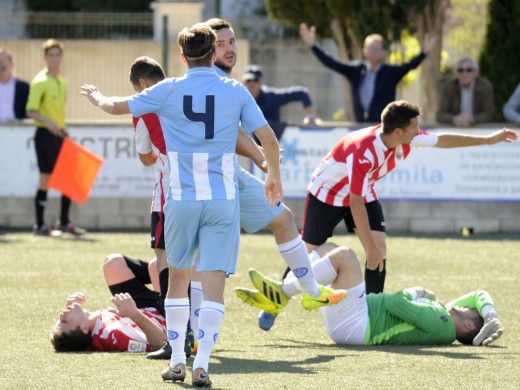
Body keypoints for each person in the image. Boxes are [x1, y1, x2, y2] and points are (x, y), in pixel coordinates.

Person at [81, 22, 283, 387]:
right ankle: (202, 365)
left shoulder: (168, 88)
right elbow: (267, 137)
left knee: (177, 278)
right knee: (213, 285)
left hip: (181, 200)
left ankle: (177, 362)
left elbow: (116, 106)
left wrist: (96, 97)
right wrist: (274, 177)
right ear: (213, 52)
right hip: (222, 199)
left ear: (182, 56)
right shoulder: (234, 89)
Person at [259, 101, 517, 332]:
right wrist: (367, 247)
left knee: (379, 250)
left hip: (363, 191)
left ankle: (371, 312)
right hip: (328, 194)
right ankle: (274, 301)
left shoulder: (407, 137)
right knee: (307, 250)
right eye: (415, 126)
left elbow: (444, 140)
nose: (419, 130)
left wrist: (487, 140)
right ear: (397, 132)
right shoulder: (363, 151)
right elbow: (355, 203)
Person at [235, 242, 504, 347]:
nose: (468, 305)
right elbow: (477, 294)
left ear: (469, 324)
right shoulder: (446, 320)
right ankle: (281, 298)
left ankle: (282, 293)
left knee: (345, 256)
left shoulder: (442, 324)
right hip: (357, 319)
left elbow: (394, 302)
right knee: (326, 246)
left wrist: (414, 292)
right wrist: (489, 314)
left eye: (474, 311)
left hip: (359, 325)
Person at [299, 23, 437, 123]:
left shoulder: (390, 73)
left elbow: (409, 66)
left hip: (383, 126)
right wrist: (313, 46)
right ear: (364, 51)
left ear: (383, 52)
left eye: (376, 48)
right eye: (369, 47)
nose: (372, 51)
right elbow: (332, 63)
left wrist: (424, 52)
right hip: (359, 125)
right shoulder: (356, 70)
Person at [26, 39, 86, 236]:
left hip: (59, 135)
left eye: (57, 55)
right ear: (45, 58)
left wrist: (62, 128)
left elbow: (58, 112)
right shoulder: (40, 82)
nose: (54, 58)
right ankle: (40, 225)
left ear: (62, 57)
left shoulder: (62, 83)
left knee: (68, 177)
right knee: (46, 178)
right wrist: (49, 123)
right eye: (50, 55)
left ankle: (64, 222)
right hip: (44, 135)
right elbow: (31, 110)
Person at [50, 254, 167, 352]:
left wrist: (72, 313)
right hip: (165, 315)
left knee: (113, 263)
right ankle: (180, 280)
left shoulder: (88, 325)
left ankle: (171, 271)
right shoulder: (114, 336)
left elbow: (77, 337)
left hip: (146, 308)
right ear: (84, 328)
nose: (61, 315)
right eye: (64, 321)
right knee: (156, 266)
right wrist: (134, 314)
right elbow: (162, 344)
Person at [241, 64, 317, 140]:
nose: (252, 83)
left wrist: (310, 115)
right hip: (248, 146)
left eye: (256, 80)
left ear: (261, 81)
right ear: (243, 82)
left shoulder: (271, 97)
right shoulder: (239, 99)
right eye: (249, 80)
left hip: (273, 143)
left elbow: (302, 93)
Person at [436, 57, 495, 127]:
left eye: (469, 70)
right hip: (454, 128)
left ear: (476, 72)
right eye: (460, 70)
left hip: (479, 128)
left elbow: (490, 114)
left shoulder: (485, 87)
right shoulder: (448, 87)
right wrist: (454, 119)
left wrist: (472, 119)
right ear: (457, 73)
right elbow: (440, 115)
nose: (464, 73)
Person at [0, 47, 29, 121]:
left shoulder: (24, 88)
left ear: (11, 63)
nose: (1, 64)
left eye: (4, 61)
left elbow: (29, 113)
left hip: (17, 130)